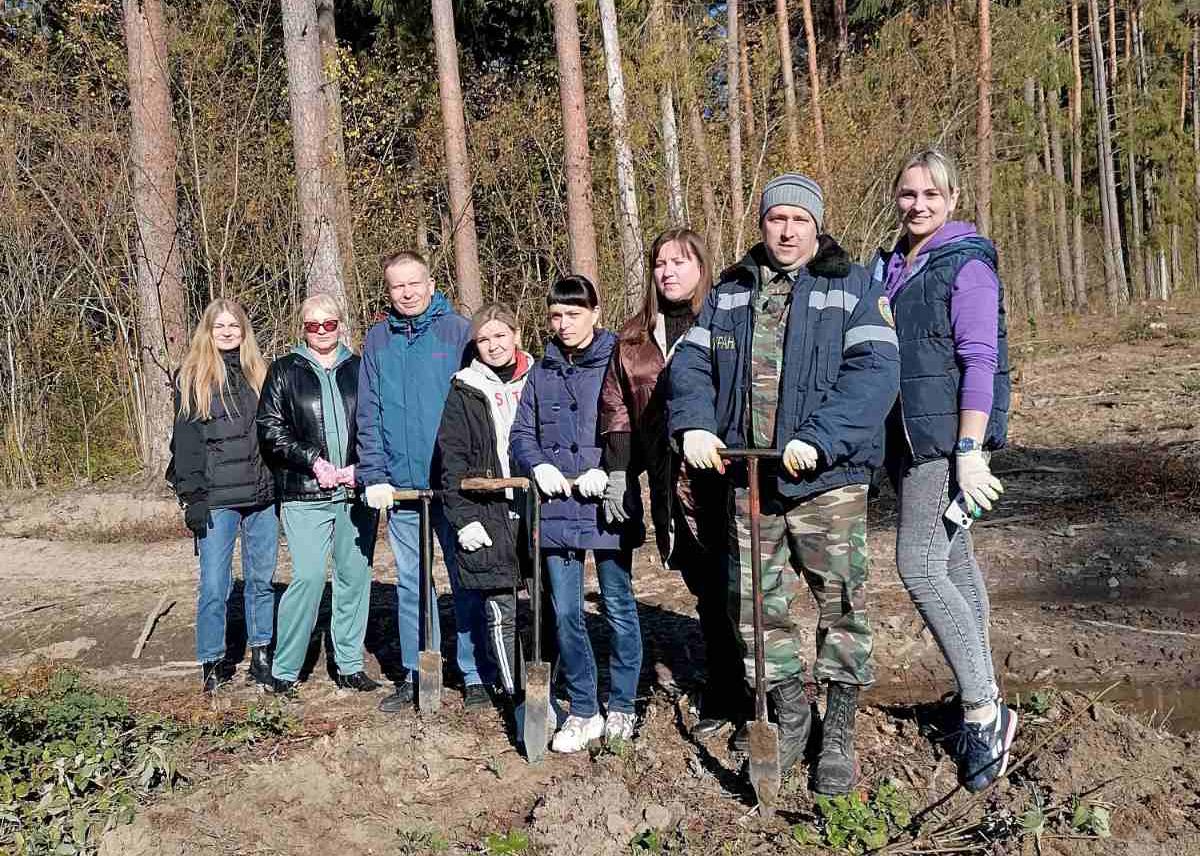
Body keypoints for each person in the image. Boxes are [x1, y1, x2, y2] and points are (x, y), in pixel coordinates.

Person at [668, 174, 899, 794]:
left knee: (841, 602)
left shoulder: (853, 286)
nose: (788, 231)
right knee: (753, 606)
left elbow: (875, 374)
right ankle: (792, 713)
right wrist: (693, 423)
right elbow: (690, 364)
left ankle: (839, 728)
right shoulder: (731, 292)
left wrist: (819, 438)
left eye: (800, 220)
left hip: (828, 478)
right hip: (750, 477)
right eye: (777, 219)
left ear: (816, 226)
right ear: (763, 224)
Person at [878, 149, 1015, 793]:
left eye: (931, 194)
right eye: (909, 194)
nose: (918, 204)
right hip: (909, 439)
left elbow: (980, 359)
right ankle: (983, 693)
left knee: (919, 566)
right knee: (956, 562)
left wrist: (969, 447)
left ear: (953, 199)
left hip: (943, 443)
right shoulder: (894, 266)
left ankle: (985, 710)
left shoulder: (967, 265)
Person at [598, 228, 747, 737]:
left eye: (680, 262)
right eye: (660, 263)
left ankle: (762, 695)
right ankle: (725, 691)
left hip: (726, 481)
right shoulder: (635, 338)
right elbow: (617, 409)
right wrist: (620, 472)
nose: (668, 272)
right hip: (669, 486)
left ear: (702, 267)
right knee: (706, 592)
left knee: (740, 591)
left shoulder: (727, 323)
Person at [357, 251, 495, 712]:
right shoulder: (378, 340)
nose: (407, 293)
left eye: (414, 283)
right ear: (388, 291)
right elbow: (369, 413)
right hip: (401, 488)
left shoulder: (458, 333)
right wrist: (375, 475)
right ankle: (418, 672)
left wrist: (477, 472)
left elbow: (481, 404)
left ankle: (476, 672)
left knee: (466, 577)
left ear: (431, 284)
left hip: (455, 487)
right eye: (398, 286)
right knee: (412, 584)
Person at [510, 275, 643, 753]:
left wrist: (610, 471)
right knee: (566, 612)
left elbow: (638, 427)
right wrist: (537, 464)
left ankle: (623, 703)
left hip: (607, 504)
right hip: (557, 507)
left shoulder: (618, 360)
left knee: (618, 606)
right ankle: (584, 709)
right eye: (556, 315)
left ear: (595, 313)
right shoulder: (541, 372)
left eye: (573, 314)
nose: (564, 324)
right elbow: (521, 434)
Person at [257, 293, 380, 695]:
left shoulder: (361, 368)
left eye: (329, 323)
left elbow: (377, 423)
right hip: (305, 492)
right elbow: (270, 429)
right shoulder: (284, 370)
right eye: (313, 325)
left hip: (355, 493)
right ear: (303, 329)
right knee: (308, 577)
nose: (322, 331)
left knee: (354, 578)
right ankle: (285, 669)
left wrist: (362, 467)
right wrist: (313, 461)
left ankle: (349, 664)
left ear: (341, 324)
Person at [168, 298, 278, 693]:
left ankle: (261, 654)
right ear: (208, 331)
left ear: (244, 331)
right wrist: (192, 496)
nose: (228, 332)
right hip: (217, 499)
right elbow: (185, 444)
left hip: (262, 496)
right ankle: (212, 661)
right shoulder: (192, 376)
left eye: (234, 326)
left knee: (261, 580)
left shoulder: (261, 373)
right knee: (215, 585)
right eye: (220, 326)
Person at [436, 303, 534, 717]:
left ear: (516, 334)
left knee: (546, 605)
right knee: (500, 606)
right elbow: (451, 462)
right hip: (488, 508)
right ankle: (519, 698)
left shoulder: (539, 377)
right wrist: (464, 519)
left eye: (500, 335)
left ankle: (549, 684)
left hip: (536, 506)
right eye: (484, 339)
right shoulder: (464, 390)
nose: (493, 346)